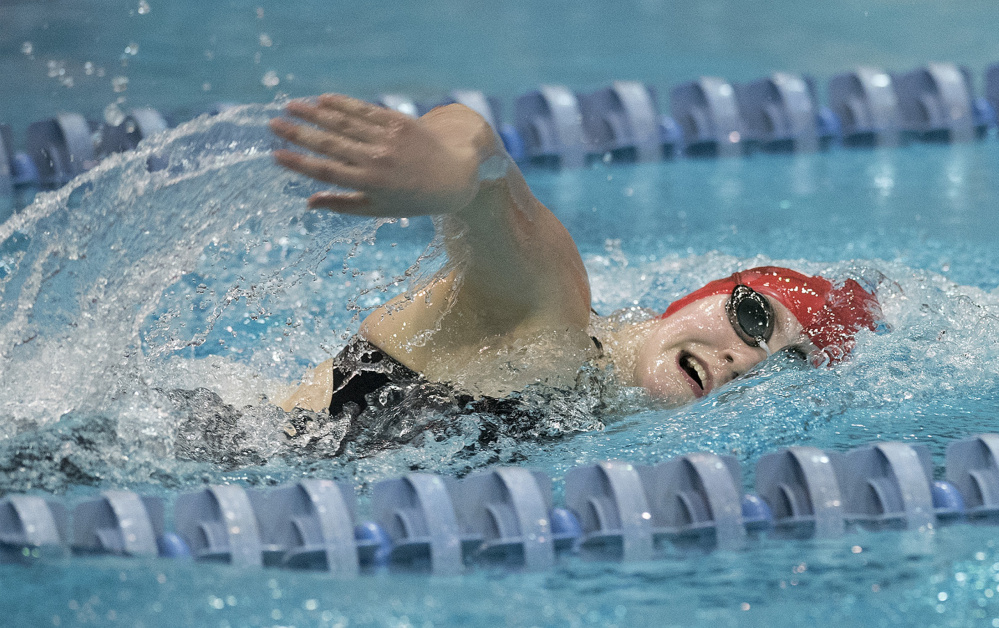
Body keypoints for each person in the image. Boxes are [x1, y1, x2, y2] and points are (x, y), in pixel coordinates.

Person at [268, 94, 882, 421]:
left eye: (784, 365)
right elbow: (479, 148)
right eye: (755, 319)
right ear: (695, 298)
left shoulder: (601, 408)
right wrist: (453, 169)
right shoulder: (553, 316)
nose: (746, 359)